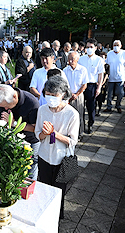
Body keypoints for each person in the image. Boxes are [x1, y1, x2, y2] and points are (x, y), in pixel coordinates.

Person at [34, 75, 80, 219]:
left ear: (63, 94)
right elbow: (37, 135)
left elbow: (72, 141)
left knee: (58, 191)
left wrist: (54, 133)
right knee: (44, 187)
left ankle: (56, 217)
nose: (50, 98)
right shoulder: (42, 110)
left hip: (62, 159)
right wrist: (44, 133)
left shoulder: (72, 114)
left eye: (54, 95)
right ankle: (43, 214)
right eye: (48, 95)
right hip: (44, 155)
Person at [0, 84, 40, 180]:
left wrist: (14, 123)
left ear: (15, 96)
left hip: (31, 140)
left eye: (7, 106)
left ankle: (29, 188)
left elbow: (36, 129)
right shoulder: (4, 98)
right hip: (14, 139)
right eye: (3, 107)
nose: (5, 109)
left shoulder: (32, 104)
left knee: (30, 167)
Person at [78, 38, 105, 134]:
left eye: (91, 47)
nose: (89, 49)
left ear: (95, 48)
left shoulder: (99, 60)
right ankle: (81, 125)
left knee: (91, 107)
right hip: (81, 85)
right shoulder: (81, 59)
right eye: (87, 47)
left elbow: (101, 74)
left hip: (92, 85)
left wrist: (99, 88)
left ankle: (90, 124)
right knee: (81, 106)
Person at [63, 51, 88, 139]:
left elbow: (84, 84)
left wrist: (77, 94)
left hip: (79, 95)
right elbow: (64, 84)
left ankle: (80, 133)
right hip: (68, 95)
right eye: (69, 59)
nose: (70, 61)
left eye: (72, 59)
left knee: (79, 114)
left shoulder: (82, 69)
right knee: (68, 115)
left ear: (77, 59)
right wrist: (69, 93)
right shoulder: (65, 70)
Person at [104, 40, 125, 113]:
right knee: (109, 93)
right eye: (115, 45)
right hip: (111, 77)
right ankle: (109, 106)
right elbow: (107, 65)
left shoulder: (124, 53)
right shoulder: (109, 54)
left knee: (120, 93)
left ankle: (118, 105)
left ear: (121, 46)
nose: (116, 47)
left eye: (117, 45)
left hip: (120, 77)